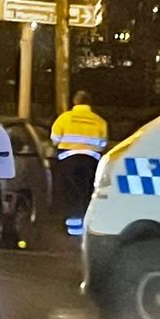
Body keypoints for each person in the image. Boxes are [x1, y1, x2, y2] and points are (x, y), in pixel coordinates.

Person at [50, 91, 108, 222]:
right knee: (87, 191)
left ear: (75, 102)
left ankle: (74, 226)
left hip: (68, 159)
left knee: (71, 192)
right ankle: (88, 221)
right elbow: (103, 143)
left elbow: (55, 139)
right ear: (89, 103)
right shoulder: (99, 121)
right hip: (91, 160)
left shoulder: (64, 118)